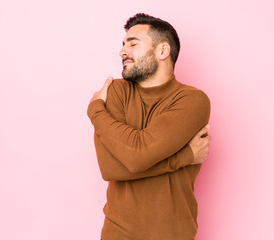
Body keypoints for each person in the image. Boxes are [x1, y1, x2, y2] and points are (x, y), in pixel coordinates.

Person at [87, 13, 211, 240]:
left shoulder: (192, 100)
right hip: (117, 233)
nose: (122, 51)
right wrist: (184, 156)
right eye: (123, 45)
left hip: (174, 234)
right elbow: (110, 169)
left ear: (163, 51)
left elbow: (136, 157)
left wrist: (96, 111)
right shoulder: (115, 91)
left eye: (133, 44)